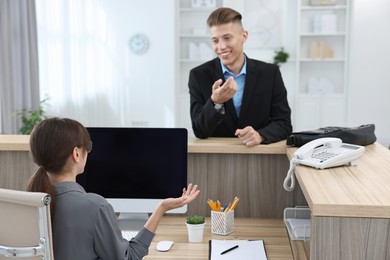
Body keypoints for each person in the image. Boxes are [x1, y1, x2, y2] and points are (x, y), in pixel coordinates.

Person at [27, 117, 200, 260]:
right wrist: (162, 208)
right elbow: (129, 257)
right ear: (77, 154)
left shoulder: (28, 203)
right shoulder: (95, 207)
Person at [189, 7, 292, 147]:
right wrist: (216, 102)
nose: (221, 46)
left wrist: (260, 135)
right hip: (215, 159)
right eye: (215, 40)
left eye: (227, 38)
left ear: (244, 36)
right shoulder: (198, 75)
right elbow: (199, 131)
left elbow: (284, 124)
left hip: (259, 156)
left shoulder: (270, 73)